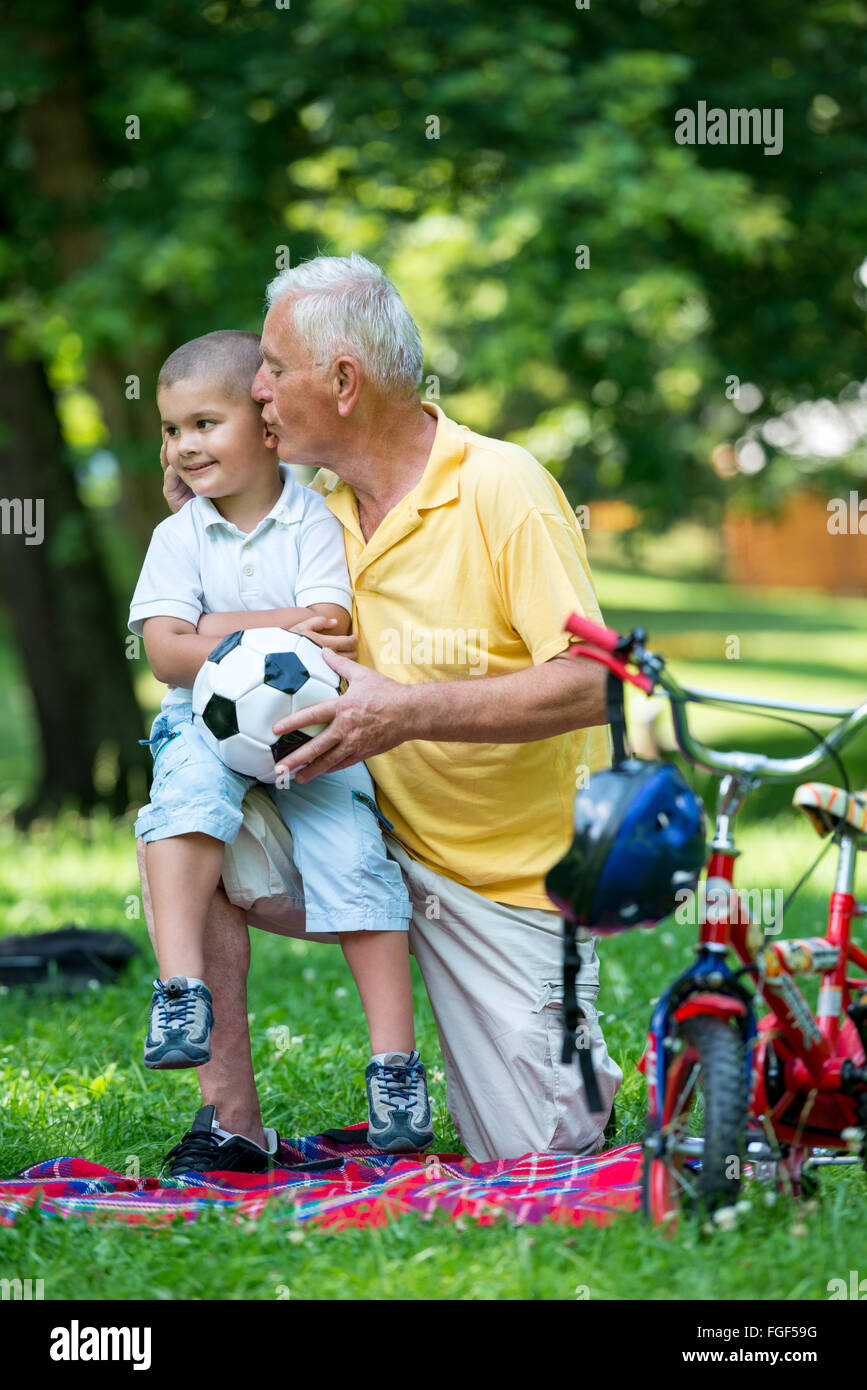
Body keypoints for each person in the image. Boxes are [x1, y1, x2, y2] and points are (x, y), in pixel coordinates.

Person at [144, 255, 622, 1175]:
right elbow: (191, 621)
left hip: (501, 883)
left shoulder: (500, 486)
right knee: (182, 807)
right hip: (349, 823)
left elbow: (595, 681)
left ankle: (563, 1046)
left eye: (274, 369)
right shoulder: (302, 504)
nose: (256, 388)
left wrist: (406, 713)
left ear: (343, 382)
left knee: (541, 1150)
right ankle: (229, 1121)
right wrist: (195, 511)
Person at [129, 328, 434, 1158]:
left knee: (358, 862)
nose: (184, 446)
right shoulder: (178, 537)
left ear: (266, 427)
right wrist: (269, 627)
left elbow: (329, 633)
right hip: (201, 722)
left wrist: (214, 630)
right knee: (182, 805)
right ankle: (181, 987)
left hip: (313, 733)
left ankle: (394, 1069)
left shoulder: (313, 516)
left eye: (203, 423)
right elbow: (166, 653)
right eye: (171, 430)